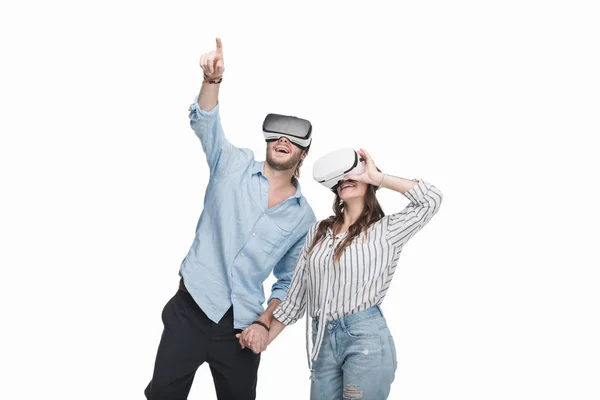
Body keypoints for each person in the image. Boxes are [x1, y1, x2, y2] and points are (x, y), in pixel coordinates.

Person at [144, 37, 316, 400]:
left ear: (302, 153)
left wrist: (264, 325)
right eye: (277, 132)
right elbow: (206, 123)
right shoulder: (232, 164)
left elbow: (287, 282)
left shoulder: (303, 218)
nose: (283, 138)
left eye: (294, 137)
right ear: (268, 140)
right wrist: (212, 81)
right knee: (162, 395)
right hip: (192, 307)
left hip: (241, 327)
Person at [266, 148, 443, 399]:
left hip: (364, 338)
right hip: (322, 340)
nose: (346, 179)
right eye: (341, 177)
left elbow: (431, 199)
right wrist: (265, 338)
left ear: (369, 184)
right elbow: (296, 297)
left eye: (355, 175)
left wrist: (377, 176)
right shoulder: (318, 231)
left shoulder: (386, 231)